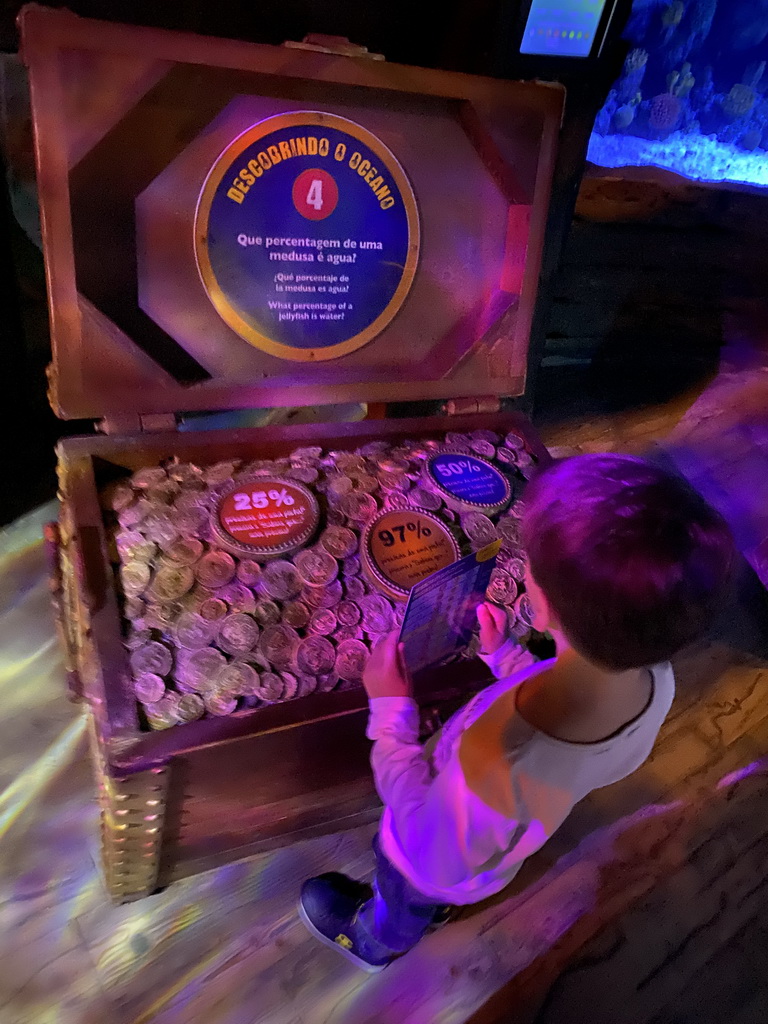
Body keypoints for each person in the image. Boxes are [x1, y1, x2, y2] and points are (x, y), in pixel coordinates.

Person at [298, 453, 735, 971]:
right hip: (495, 843)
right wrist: (504, 654)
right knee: (450, 877)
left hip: (427, 860)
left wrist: (391, 712)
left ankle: (377, 940)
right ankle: (434, 909)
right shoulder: (654, 680)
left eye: (528, 567)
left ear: (542, 607)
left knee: (406, 896)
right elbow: (561, 700)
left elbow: (428, 844)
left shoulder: (497, 755)